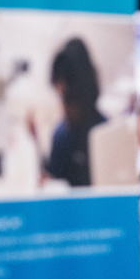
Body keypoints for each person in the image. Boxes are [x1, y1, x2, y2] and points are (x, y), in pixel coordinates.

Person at [44, 38, 106, 186]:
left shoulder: (105, 136)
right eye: (61, 98)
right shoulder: (60, 135)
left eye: (68, 99)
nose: (64, 108)